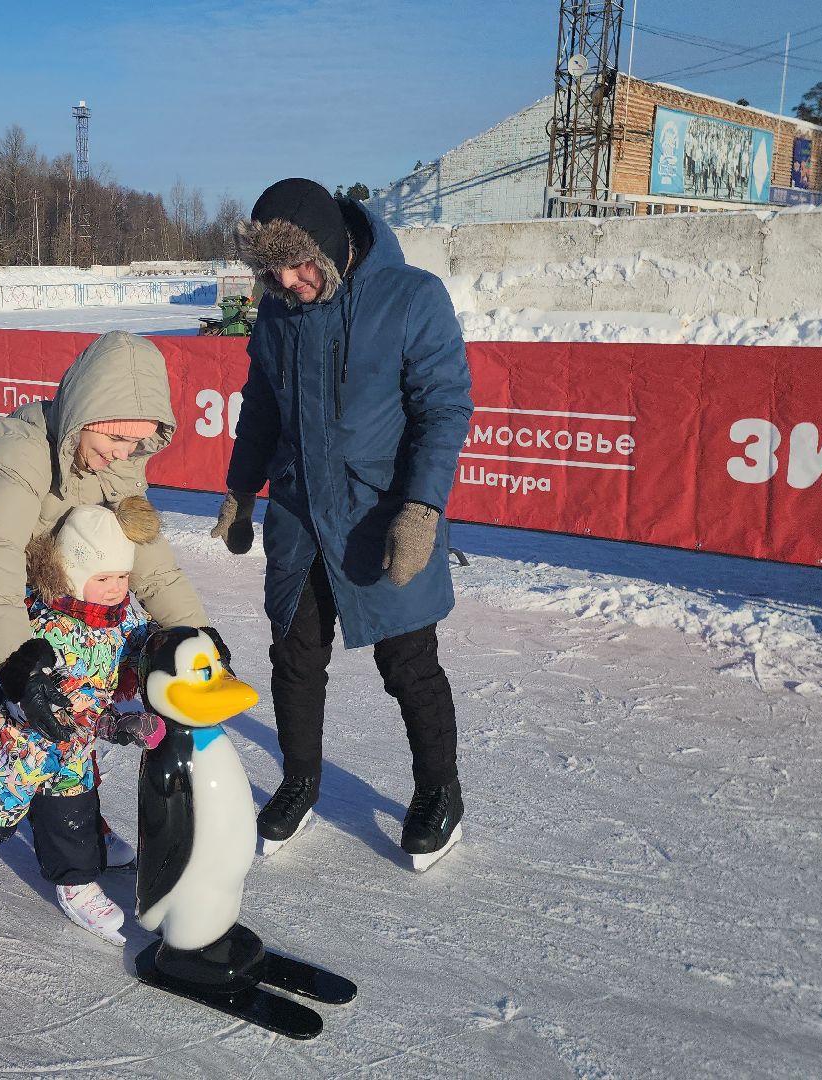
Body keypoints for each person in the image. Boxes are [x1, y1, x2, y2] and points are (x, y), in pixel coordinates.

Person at [0, 330, 220, 950]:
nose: (120, 454)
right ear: (82, 415)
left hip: (26, 581)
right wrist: (20, 665)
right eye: (112, 438)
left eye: (136, 441)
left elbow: (150, 562)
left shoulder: (120, 466)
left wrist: (194, 631)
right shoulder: (18, 453)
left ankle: (78, 828)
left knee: (77, 692)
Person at [211, 178, 474, 869]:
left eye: (300, 266)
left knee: (408, 662)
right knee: (294, 657)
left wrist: (421, 509)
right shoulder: (276, 312)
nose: (289, 282)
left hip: (382, 514)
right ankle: (301, 779)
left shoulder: (412, 299)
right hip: (300, 514)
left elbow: (444, 409)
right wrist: (242, 490)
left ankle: (439, 792)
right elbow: (262, 406)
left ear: (330, 249)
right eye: (273, 270)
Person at [0, 505, 165, 946]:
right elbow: (10, 651)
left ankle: (77, 884)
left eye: (122, 577)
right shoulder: (42, 620)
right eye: (103, 578)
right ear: (72, 574)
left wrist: (120, 719)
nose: (115, 589)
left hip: (72, 746)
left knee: (73, 815)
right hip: (14, 742)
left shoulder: (129, 620)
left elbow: (138, 662)